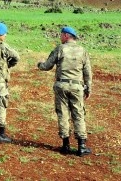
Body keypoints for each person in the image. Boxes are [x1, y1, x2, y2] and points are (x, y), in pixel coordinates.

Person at [37, 26, 92, 157]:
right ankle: (81, 146)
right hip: (77, 87)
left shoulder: (60, 49)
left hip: (61, 86)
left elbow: (47, 66)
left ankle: (65, 145)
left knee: (63, 114)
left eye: (61, 35)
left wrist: (39, 64)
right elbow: (87, 72)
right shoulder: (82, 51)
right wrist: (88, 88)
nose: (60, 37)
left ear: (67, 36)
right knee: (78, 114)